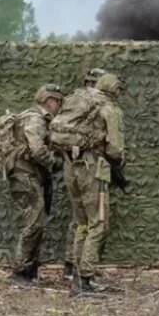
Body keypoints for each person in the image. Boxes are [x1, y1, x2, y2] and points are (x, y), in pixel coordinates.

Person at [55, 72, 125, 297]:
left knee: (82, 223)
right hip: (93, 169)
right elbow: (115, 149)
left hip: (71, 167)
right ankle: (84, 281)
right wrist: (117, 162)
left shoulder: (78, 101)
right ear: (114, 88)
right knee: (99, 224)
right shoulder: (109, 109)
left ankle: (77, 276)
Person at [8, 83, 65, 287]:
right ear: (50, 101)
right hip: (24, 175)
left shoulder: (39, 119)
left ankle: (29, 267)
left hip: (30, 174)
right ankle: (20, 270)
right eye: (57, 101)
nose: (58, 105)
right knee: (34, 219)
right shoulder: (35, 119)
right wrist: (55, 163)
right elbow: (37, 150)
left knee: (37, 219)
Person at [60, 67, 106, 279]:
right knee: (95, 222)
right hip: (89, 167)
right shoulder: (98, 104)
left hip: (70, 165)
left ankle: (72, 266)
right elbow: (112, 146)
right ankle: (84, 275)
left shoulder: (70, 101)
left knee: (79, 221)